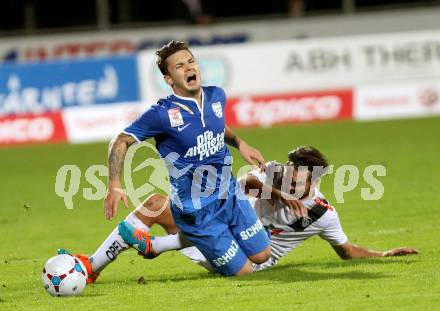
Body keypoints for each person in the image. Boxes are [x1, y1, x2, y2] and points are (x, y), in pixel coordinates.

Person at [101, 40, 308, 277]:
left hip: (230, 195)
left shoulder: (216, 96)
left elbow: (217, 127)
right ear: (168, 79)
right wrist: (115, 184)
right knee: (245, 272)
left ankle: (158, 244)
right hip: (196, 211)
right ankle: (169, 243)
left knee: (263, 255)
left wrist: (240, 143)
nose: (189, 68)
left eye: (191, 61)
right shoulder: (161, 114)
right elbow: (120, 140)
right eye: (179, 66)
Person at [61, 147, 418, 282]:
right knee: (156, 203)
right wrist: (275, 191)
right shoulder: (276, 178)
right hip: (225, 231)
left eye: (298, 172)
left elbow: (346, 250)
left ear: (314, 179)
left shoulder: (323, 213)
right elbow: (244, 182)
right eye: (291, 168)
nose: (291, 174)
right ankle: (92, 267)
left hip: (249, 260)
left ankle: (157, 246)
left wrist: (384, 254)